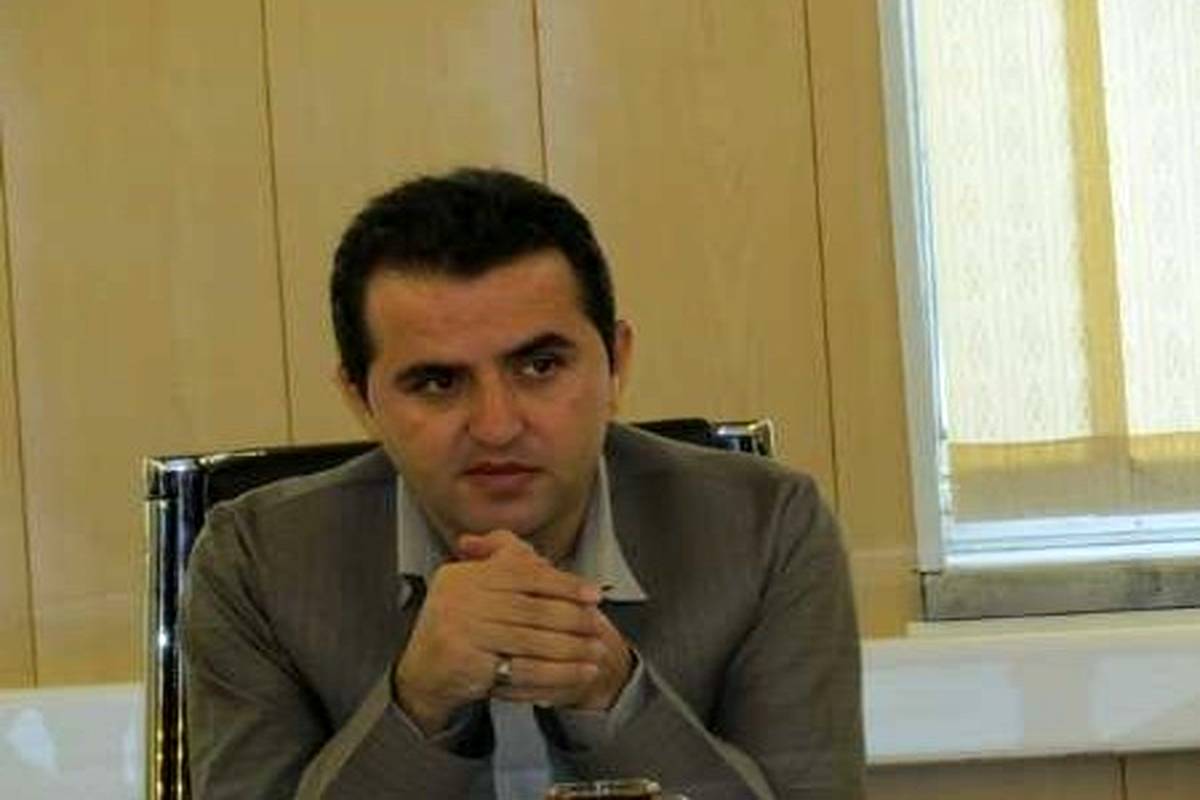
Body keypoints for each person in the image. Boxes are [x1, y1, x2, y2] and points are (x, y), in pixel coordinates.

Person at [181, 167, 864, 799]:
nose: (497, 426)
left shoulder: (768, 527)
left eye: (540, 367)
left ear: (616, 363)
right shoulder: (257, 563)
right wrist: (416, 704)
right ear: (361, 398)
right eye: (436, 382)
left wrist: (616, 698)